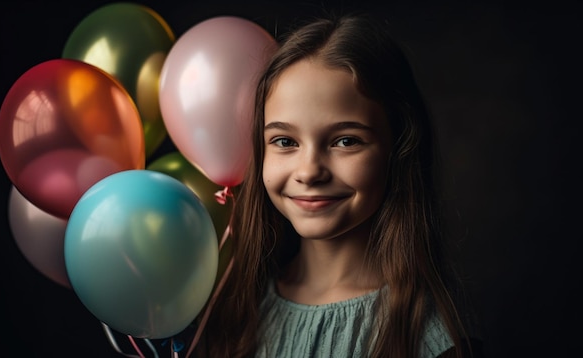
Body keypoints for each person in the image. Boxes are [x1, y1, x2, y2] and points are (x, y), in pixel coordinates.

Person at [194, 11, 481, 358]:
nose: (310, 171)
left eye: (346, 141)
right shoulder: (236, 310)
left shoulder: (428, 337)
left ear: (398, 147)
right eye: (285, 142)